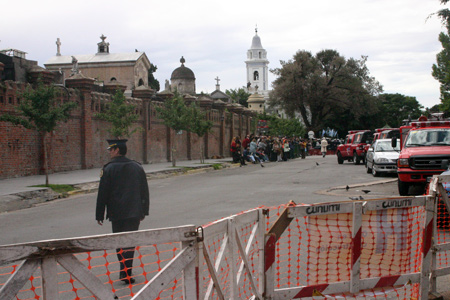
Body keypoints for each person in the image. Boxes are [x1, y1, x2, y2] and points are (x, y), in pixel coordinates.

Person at [96, 139, 150, 285]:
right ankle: (126, 272)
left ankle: (124, 271)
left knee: (119, 242)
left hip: (116, 213)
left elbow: (103, 193)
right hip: (134, 212)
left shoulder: (108, 169)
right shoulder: (137, 167)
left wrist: (99, 214)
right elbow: (144, 191)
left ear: (117, 150)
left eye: (111, 149)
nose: (109, 152)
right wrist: (143, 211)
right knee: (130, 242)